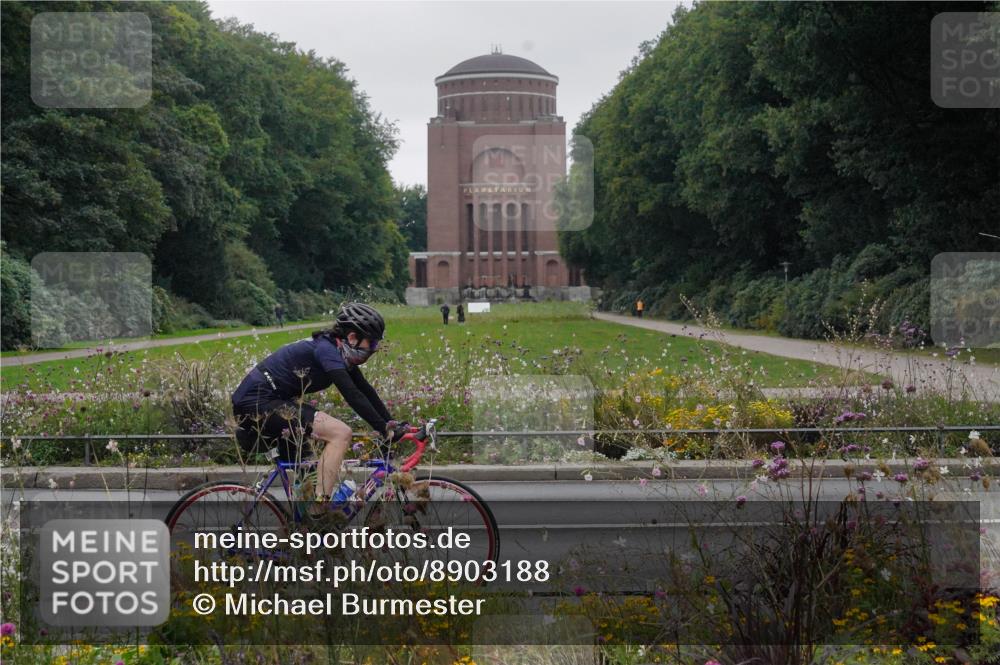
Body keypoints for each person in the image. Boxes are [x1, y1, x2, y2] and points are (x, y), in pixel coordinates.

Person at [230, 302, 407, 514]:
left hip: (272, 401)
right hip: (257, 402)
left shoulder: (338, 351)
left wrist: (390, 424)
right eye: (372, 342)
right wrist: (384, 429)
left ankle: (305, 528)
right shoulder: (327, 350)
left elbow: (365, 390)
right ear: (352, 337)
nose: (374, 348)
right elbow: (352, 394)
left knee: (311, 473)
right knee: (340, 433)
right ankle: (318, 510)